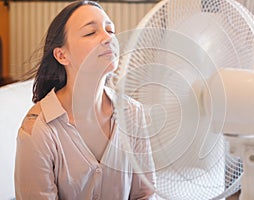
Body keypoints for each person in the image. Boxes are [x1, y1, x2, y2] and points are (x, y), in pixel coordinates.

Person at [14, 1, 156, 199]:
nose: (108, 38)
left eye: (111, 30)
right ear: (62, 55)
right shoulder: (39, 129)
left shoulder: (133, 114)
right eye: (91, 33)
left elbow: (145, 193)